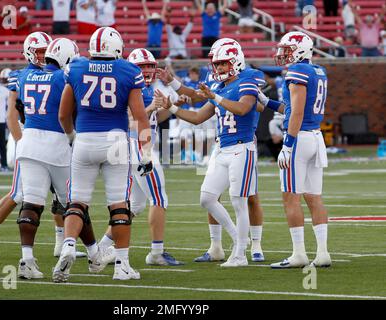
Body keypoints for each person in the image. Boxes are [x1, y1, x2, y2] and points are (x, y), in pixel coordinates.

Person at [53, 26, 153, 282]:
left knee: (77, 201)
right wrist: (146, 152)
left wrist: (72, 137)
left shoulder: (75, 67)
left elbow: (63, 114)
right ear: (117, 47)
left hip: (85, 139)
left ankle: (68, 246)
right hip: (116, 141)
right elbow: (141, 116)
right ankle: (121, 265)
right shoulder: (129, 71)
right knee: (119, 204)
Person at [0, 32, 83, 261]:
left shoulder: (54, 75)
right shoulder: (21, 76)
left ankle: (60, 241)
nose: (44, 56)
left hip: (53, 141)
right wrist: (20, 141)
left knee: (58, 196)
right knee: (19, 194)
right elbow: (12, 115)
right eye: (40, 52)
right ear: (29, 52)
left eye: (47, 51)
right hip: (32, 140)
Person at [157, 38, 266, 263]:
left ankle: (241, 253)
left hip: (242, 148)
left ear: (235, 62)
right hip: (221, 148)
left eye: (223, 64)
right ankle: (238, 240)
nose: (218, 69)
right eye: (216, 65)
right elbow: (197, 115)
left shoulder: (248, 79)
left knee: (240, 200)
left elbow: (244, 108)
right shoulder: (219, 87)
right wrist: (173, 107)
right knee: (207, 198)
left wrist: (215, 97)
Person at [96, 48, 184, 267]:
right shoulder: (127, 87)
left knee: (134, 205)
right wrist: (151, 107)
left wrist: (173, 107)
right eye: (141, 66)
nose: (146, 70)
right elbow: (128, 119)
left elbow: (153, 117)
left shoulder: (145, 88)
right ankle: (156, 252)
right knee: (159, 199)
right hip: (138, 147)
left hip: (137, 147)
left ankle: (102, 247)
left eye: (149, 66)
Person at [257, 31, 331, 268]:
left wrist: (288, 144)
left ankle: (299, 254)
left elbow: (296, 112)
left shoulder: (298, 71)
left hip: (299, 138)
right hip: (315, 137)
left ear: (300, 50)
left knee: (291, 197)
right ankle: (322, 253)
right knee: (314, 197)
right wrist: (266, 101)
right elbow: (292, 108)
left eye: (287, 50)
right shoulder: (318, 71)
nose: (282, 54)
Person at [15, 38, 85, 279]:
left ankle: (26, 260)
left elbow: (20, 109)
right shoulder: (62, 77)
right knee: (74, 203)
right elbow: (69, 109)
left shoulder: (24, 76)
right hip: (57, 144)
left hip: (29, 141)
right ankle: (83, 249)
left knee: (31, 204)